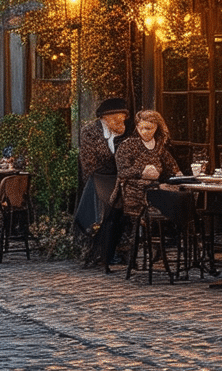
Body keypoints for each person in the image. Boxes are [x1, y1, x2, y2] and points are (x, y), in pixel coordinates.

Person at [75, 97, 130, 268]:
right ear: (106, 118)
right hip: (98, 181)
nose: (121, 122)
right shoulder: (90, 132)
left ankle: (115, 252)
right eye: (117, 118)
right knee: (102, 217)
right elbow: (89, 161)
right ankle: (98, 253)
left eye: (123, 118)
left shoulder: (125, 133)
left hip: (119, 181)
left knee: (120, 217)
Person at [111, 109, 180, 221]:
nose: (144, 131)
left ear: (156, 127)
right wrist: (142, 171)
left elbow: (172, 167)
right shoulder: (127, 145)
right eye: (140, 128)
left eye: (148, 128)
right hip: (133, 193)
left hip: (155, 191)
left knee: (182, 196)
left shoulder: (158, 147)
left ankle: (178, 234)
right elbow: (122, 172)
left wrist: (178, 174)